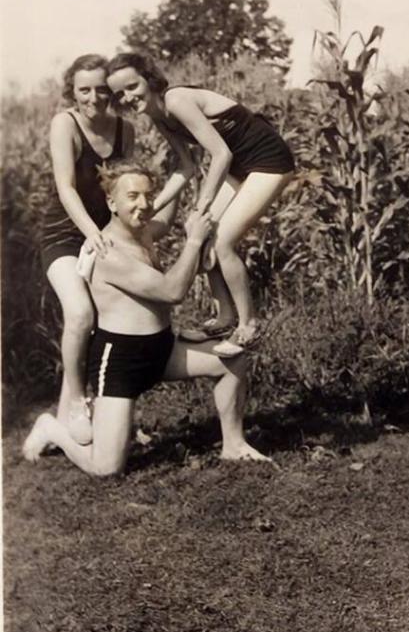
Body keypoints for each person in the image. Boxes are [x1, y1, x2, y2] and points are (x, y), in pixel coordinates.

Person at [24, 162, 271, 476]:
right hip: (121, 364)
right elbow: (172, 291)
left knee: (232, 361)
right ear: (112, 203)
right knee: (106, 468)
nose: (143, 204)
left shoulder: (144, 232)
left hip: (162, 350)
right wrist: (195, 240)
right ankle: (51, 428)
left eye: (148, 195)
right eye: (132, 196)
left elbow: (165, 219)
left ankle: (233, 445)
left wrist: (183, 167)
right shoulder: (107, 251)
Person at [41, 54, 192, 445]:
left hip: (106, 234)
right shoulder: (66, 124)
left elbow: (122, 187)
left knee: (120, 319)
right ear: (71, 92)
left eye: (102, 90)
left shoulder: (124, 130)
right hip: (66, 236)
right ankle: (76, 403)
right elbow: (66, 188)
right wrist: (93, 234)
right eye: (84, 90)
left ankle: (112, 415)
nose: (94, 98)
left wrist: (144, 223)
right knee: (80, 313)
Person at [106, 52, 296, 355]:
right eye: (120, 94)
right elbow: (186, 167)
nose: (128, 97)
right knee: (199, 232)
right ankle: (225, 317)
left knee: (222, 243)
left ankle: (249, 326)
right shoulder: (159, 117)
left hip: (268, 160)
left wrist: (201, 205)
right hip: (242, 166)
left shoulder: (177, 101)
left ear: (148, 79)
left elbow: (221, 154)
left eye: (132, 87)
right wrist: (155, 205)